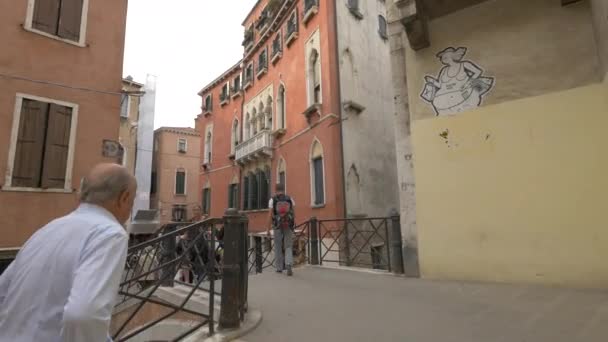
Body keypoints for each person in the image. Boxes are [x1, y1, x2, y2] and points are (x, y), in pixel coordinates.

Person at [0, 163, 137, 342]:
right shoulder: (110, 234)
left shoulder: (48, 229)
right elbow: (85, 315)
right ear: (124, 198)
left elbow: (3, 291)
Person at [266, 183, 295, 276]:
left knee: (278, 246)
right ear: (283, 189)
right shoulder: (289, 199)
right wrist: (293, 224)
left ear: (275, 190)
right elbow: (293, 213)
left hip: (277, 225)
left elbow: (270, 215)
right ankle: (289, 265)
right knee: (288, 246)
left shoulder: (272, 200)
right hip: (288, 224)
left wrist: (267, 228)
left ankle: (279, 268)